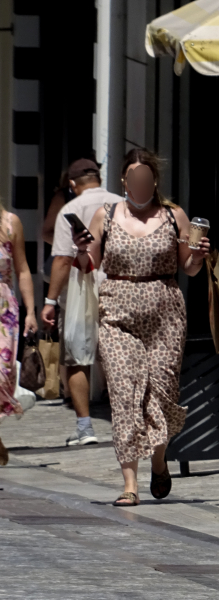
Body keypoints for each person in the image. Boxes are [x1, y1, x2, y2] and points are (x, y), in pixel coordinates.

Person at [72, 148, 209, 506]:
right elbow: (90, 264)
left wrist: (197, 254)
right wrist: (82, 249)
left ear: (154, 182)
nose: (140, 184)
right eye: (134, 179)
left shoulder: (172, 215)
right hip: (117, 314)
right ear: (124, 181)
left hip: (165, 315)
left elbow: (189, 268)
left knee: (162, 395)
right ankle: (129, 483)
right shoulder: (107, 216)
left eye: (146, 179)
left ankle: (159, 460)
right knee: (123, 394)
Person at [42, 158, 119, 446]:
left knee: (77, 357)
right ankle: (127, 419)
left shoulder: (70, 209)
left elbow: (63, 258)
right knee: (116, 355)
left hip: (79, 289)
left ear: (72, 184)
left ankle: (86, 427)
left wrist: (50, 300)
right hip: (116, 285)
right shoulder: (120, 204)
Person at [0, 200, 40, 465]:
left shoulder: (10, 223)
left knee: (2, 374)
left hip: (3, 310)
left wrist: (30, 311)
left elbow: (23, 269)